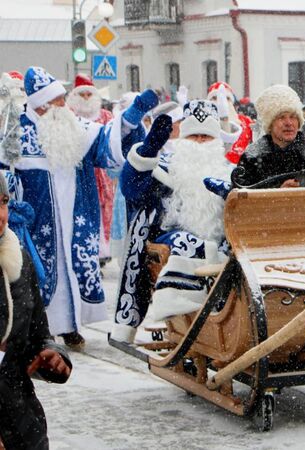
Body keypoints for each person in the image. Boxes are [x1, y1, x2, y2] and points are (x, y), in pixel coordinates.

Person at [2, 67, 154, 350]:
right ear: (42, 104)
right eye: (58, 101)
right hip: (36, 221)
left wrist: (131, 117)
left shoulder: (72, 126)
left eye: (63, 99)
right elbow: (3, 170)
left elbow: (104, 140)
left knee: (73, 269)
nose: (64, 106)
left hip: (74, 217)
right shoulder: (16, 130)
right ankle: (40, 331)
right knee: (38, 274)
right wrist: (10, 194)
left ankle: (70, 327)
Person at [114, 100, 235, 337]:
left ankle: (227, 318)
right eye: (194, 136)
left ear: (216, 140)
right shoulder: (166, 168)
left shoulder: (228, 171)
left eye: (206, 136)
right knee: (187, 245)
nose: (200, 142)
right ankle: (182, 317)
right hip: (173, 234)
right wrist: (149, 149)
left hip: (219, 238)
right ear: (183, 139)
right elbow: (130, 187)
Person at [0, 174, 73, 450]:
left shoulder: (19, 260)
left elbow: (38, 335)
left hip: (22, 423)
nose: (1, 214)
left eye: (3, 202)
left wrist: (54, 356)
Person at [231, 84, 305, 189]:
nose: (289, 123)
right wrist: (278, 193)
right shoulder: (253, 157)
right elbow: (238, 200)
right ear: (270, 124)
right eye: (281, 117)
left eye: (293, 117)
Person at [67, 74, 117, 266]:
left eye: (90, 94)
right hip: (79, 173)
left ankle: (102, 253)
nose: (86, 98)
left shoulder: (106, 116)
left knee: (104, 211)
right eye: (82, 94)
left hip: (103, 175)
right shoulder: (69, 116)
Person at [207, 82, 254, 164]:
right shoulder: (205, 123)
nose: (221, 102)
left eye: (227, 98)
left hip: (242, 168)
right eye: (215, 98)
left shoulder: (245, 121)